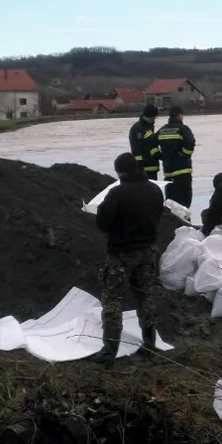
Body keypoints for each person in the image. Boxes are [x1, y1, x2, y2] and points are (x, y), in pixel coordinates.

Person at [92, 152, 164, 364]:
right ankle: (150, 345)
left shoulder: (117, 193)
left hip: (121, 253)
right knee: (145, 295)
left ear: (120, 173)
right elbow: (158, 217)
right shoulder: (155, 190)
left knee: (113, 299)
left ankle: (109, 352)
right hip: (148, 251)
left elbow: (102, 223)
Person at [157, 106, 196, 208]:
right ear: (179, 116)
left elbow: (150, 144)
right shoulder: (183, 129)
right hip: (183, 172)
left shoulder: (162, 130)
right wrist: (184, 155)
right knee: (184, 204)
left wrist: (160, 156)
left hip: (168, 174)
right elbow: (191, 142)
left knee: (170, 204)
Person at [129, 104, 161, 179]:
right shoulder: (138, 129)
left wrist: (160, 156)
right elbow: (136, 150)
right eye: (155, 116)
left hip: (152, 167)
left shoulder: (148, 126)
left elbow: (151, 145)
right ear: (151, 116)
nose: (155, 118)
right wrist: (139, 169)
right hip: (144, 170)